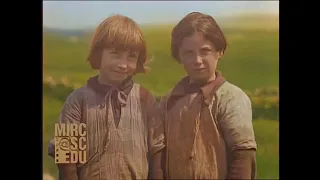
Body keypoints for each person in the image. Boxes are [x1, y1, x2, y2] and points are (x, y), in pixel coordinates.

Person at [47, 14, 165, 180]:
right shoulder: (77, 101)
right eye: (115, 54)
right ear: (98, 55)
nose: (123, 64)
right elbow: (67, 158)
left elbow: (156, 152)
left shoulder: (144, 99)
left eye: (131, 56)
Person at [158, 12, 257, 179]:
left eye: (205, 51)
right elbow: (158, 154)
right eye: (188, 53)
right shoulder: (169, 100)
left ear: (219, 51)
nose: (197, 60)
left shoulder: (231, 98)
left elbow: (243, 158)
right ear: (179, 56)